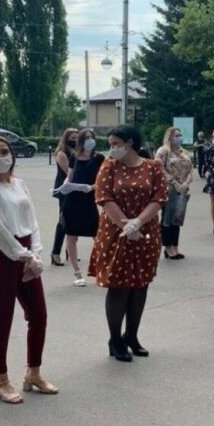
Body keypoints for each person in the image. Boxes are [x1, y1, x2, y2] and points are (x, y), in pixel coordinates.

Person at [0, 135, 57, 403]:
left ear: (12, 154)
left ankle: (33, 373)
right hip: (4, 257)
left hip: (27, 253)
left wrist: (36, 253)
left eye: (4, 152)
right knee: (2, 318)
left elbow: (32, 221)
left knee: (38, 314)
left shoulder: (20, 184)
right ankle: (0, 380)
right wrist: (25, 256)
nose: (0, 158)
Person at [88, 125, 168, 361]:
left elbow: (159, 197)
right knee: (119, 286)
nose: (112, 149)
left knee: (140, 285)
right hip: (116, 233)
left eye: (115, 144)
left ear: (130, 142)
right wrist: (126, 226)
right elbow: (104, 197)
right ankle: (115, 340)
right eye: (110, 144)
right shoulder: (109, 166)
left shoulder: (152, 166)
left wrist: (139, 222)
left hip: (145, 233)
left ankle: (131, 335)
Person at [62, 129, 104, 286]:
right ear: (80, 141)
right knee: (71, 236)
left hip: (89, 199)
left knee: (97, 235)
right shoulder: (74, 157)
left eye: (91, 137)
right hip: (72, 200)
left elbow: (103, 179)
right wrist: (65, 185)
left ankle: (101, 268)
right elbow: (69, 176)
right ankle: (77, 272)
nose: (89, 140)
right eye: (86, 138)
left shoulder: (99, 158)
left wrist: (92, 187)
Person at [155, 127, 193, 260]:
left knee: (177, 218)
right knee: (167, 218)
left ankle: (175, 246)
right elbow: (159, 168)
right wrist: (174, 182)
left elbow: (190, 169)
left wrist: (186, 183)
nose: (179, 137)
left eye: (180, 135)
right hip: (169, 189)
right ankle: (168, 247)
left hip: (182, 189)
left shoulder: (184, 152)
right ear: (169, 137)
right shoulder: (163, 151)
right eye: (176, 135)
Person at [50, 128, 77, 266]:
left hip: (75, 188)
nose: (75, 140)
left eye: (77, 137)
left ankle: (70, 249)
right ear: (66, 139)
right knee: (63, 221)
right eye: (72, 137)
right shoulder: (62, 153)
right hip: (64, 189)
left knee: (75, 220)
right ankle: (55, 253)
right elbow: (69, 172)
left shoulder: (77, 151)